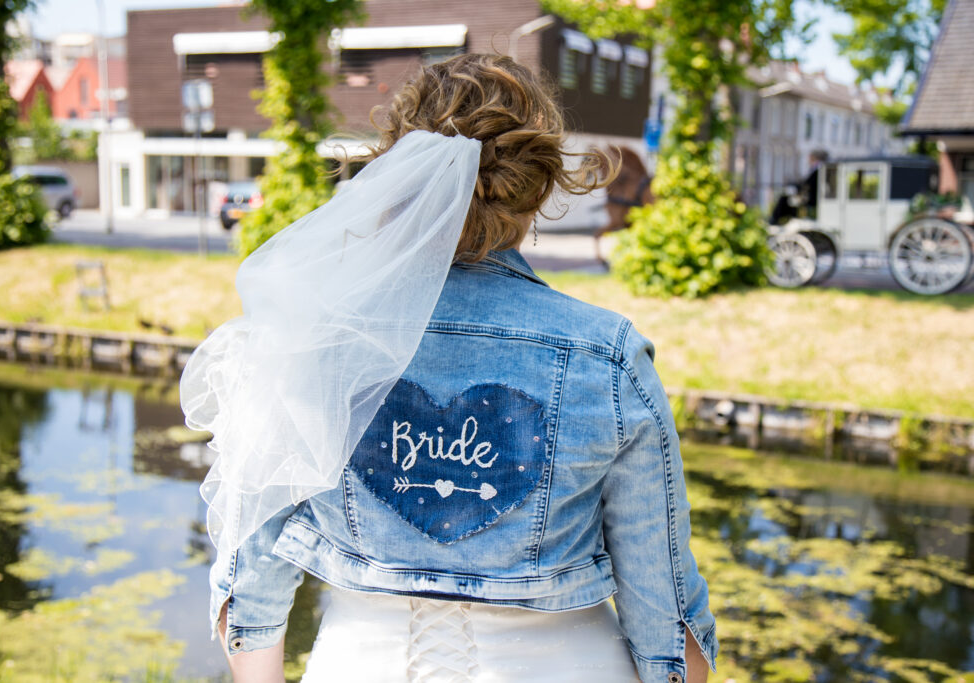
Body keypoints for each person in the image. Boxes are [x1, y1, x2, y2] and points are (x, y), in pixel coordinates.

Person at [180, 53, 717, 683]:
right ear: (538, 187)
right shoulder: (604, 353)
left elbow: (250, 585)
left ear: (399, 171)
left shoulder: (314, 342)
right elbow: (667, 616)